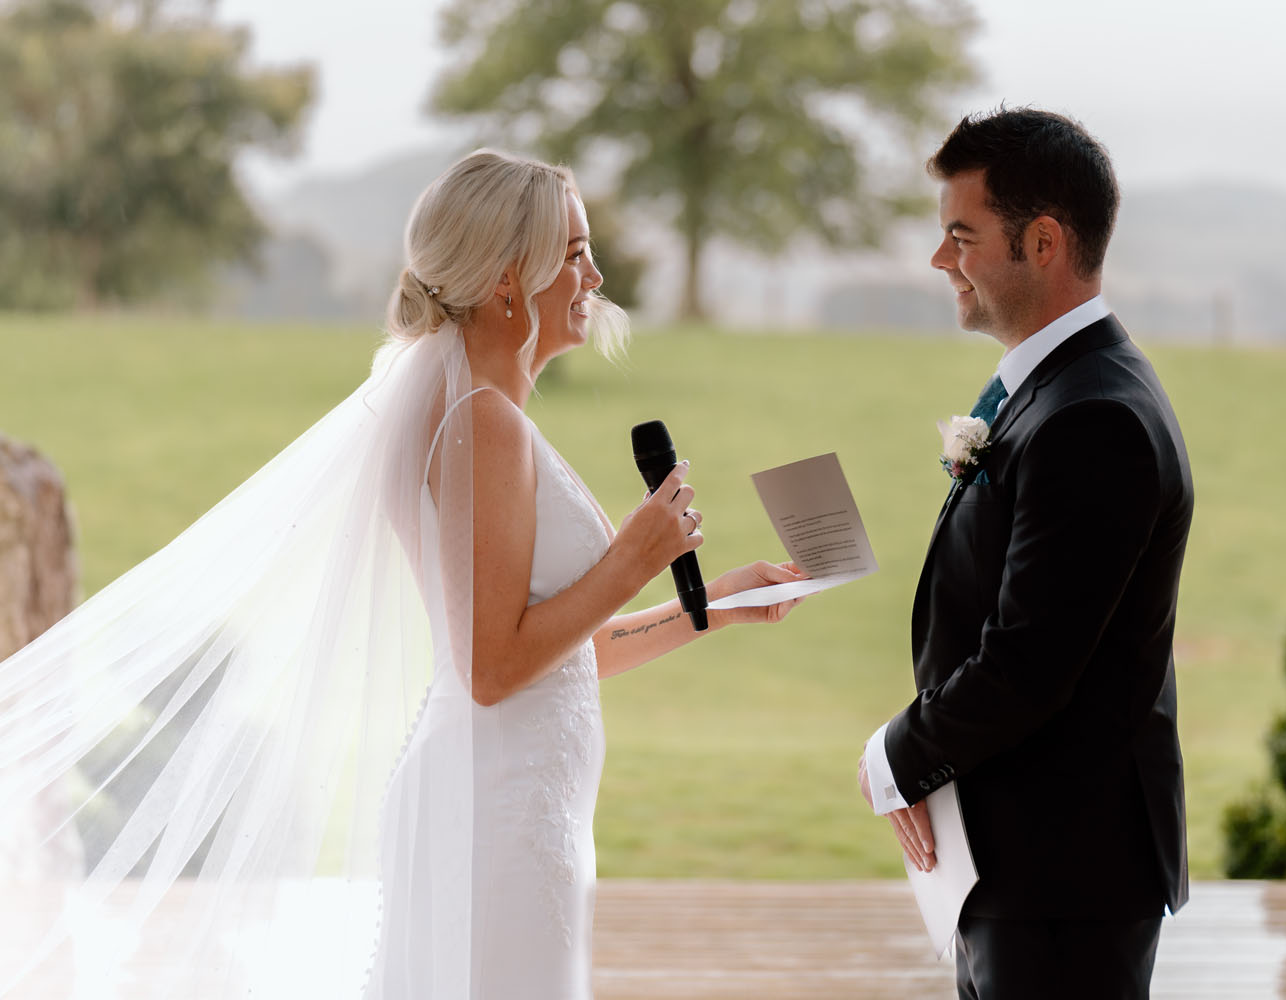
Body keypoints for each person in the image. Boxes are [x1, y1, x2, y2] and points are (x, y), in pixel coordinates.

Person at [0, 149, 801, 999]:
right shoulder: (481, 424)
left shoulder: (474, 417)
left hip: (516, 800)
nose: (595, 274)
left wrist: (710, 606)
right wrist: (635, 557)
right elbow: (491, 669)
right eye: (572, 253)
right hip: (500, 814)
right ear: (506, 280)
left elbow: (557, 654)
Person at [857, 109, 1192, 999]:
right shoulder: (1052, 386)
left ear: (1042, 242)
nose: (940, 261)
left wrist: (896, 756)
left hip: (1066, 876)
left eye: (961, 235)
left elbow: (1030, 663)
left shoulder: (1096, 417)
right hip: (1023, 861)